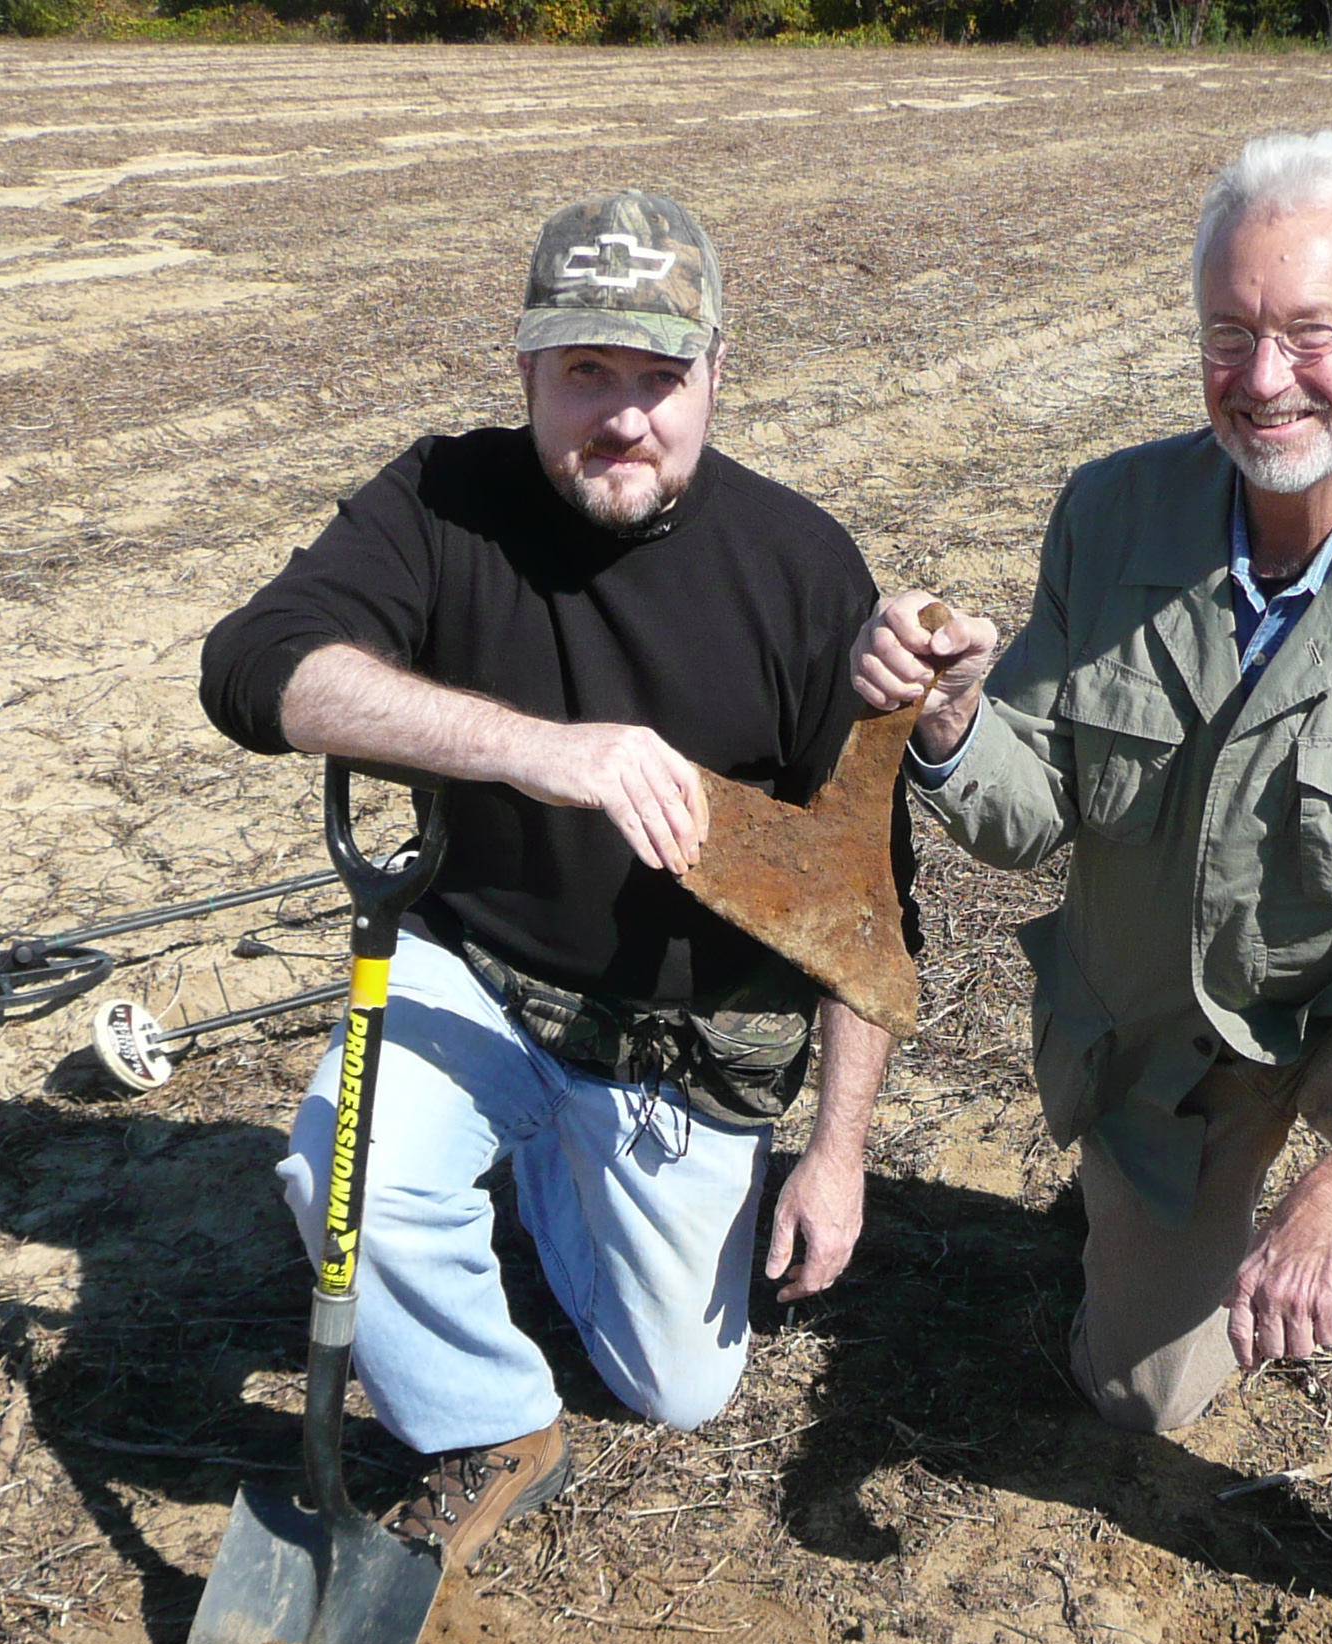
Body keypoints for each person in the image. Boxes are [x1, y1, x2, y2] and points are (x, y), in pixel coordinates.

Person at [853, 132, 1332, 1644]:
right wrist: (959, 722)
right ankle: (1157, 1225)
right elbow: (1032, 810)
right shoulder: (1110, 522)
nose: (1265, 379)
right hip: (1175, 1031)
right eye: (1229, 335)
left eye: (1310, 332)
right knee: (1137, 1400)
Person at [201, 189, 906, 1572]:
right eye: (588, 372)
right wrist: (533, 753)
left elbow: (871, 903)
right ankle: (489, 1421)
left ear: (717, 374)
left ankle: (558, 1176)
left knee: (679, 1392)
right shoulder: (444, 498)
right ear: (526, 367)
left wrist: (837, 1150)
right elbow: (254, 667)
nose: (624, 415)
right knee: (337, 1169)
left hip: (676, 1049)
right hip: (473, 975)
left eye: (661, 376)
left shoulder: (800, 568)